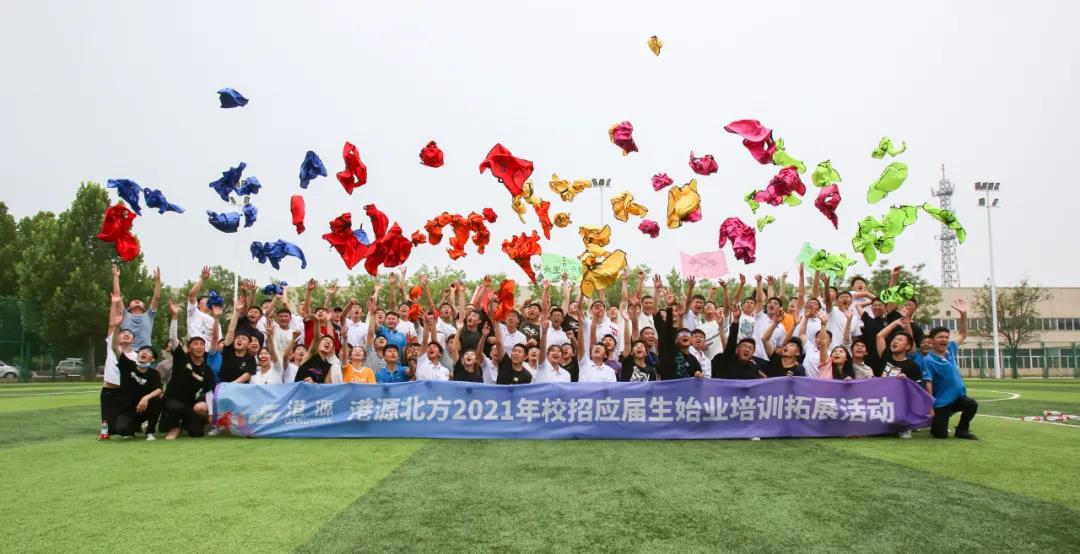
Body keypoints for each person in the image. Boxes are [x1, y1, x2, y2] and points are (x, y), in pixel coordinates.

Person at [919, 299, 978, 440]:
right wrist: (930, 407)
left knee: (971, 404)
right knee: (940, 435)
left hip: (958, 398)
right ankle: (936, 422)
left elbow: (963, 334)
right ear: (932, 341)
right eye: (940, 337)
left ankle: (962, 430)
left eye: (946, 337)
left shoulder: (950, 349)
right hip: (942, 402)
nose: (944, 340)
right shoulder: (928, 360)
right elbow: (928, 384)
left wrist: (963, 314)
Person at [160, 307, 216, 439]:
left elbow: (209, 392)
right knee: (176, 408)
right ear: (189, 348)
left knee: (197, 433)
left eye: (202, 344)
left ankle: (184, 424)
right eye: (196, 344)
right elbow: (173, 339)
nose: (199, 346)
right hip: (171, 400)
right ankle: (174, 427)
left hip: (188, 404)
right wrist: (174, 317)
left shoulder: (206, 370)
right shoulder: (182, 358)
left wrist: (210, 414)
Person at [110, 312, 162, 440]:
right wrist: (117, 327)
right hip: (128, 409)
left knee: (157, 401)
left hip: (145, 407)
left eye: (148, 352)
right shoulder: (128, 365)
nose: (144, 353)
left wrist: (146, 398)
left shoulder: (154, 373)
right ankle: (134, 426)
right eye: (142, 351)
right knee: (123, 430)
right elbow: (115, 347)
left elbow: (159, 389)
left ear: (152, 359)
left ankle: (150, 432)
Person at [101, 291, 137, 438]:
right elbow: (112, 325)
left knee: (123, 429)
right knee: (109, 429)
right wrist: (114, 303)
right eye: (123, 333)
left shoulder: (136, 356)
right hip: (109, 390)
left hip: (125, 392)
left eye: (129, 334)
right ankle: (105, 431)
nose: (126, 334)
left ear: (133, 340)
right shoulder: (112, 347)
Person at [112, 264, 161, 350]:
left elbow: (156, 297)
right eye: (134, 301)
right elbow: (117, 295)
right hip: (127, 352)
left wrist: (158, 280)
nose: (137, 301)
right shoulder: (124, 315)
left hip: (145, 353)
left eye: (139, 301)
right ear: (128, 308)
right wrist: (116, 276)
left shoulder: (149, 315)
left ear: (144, 307)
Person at [217, 296, 256, 384]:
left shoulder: (250, 358)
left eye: (243, 339)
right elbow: (231, 330)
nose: (240, 340)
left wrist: (233, 384)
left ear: (249, 344)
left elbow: (248, 374)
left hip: (240, 388)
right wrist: (237, 312)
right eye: (238, 338)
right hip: (224, 386)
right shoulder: (228, 350)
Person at [761, 312, 806, 378]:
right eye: (786, 345)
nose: (786, 346)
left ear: (797, 352)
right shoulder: (775, 358)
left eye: (791, 345)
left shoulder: (799, 369)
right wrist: (775, 323)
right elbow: (765, 339)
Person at [185, 265, 216, 344]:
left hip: (209, 351)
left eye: (210, 300)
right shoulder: (193, 312)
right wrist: (202, 279)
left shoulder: (215, 321)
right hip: (194, 348)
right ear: (198, 304)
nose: (209, 301)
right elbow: (192, 295)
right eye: (206, 300)